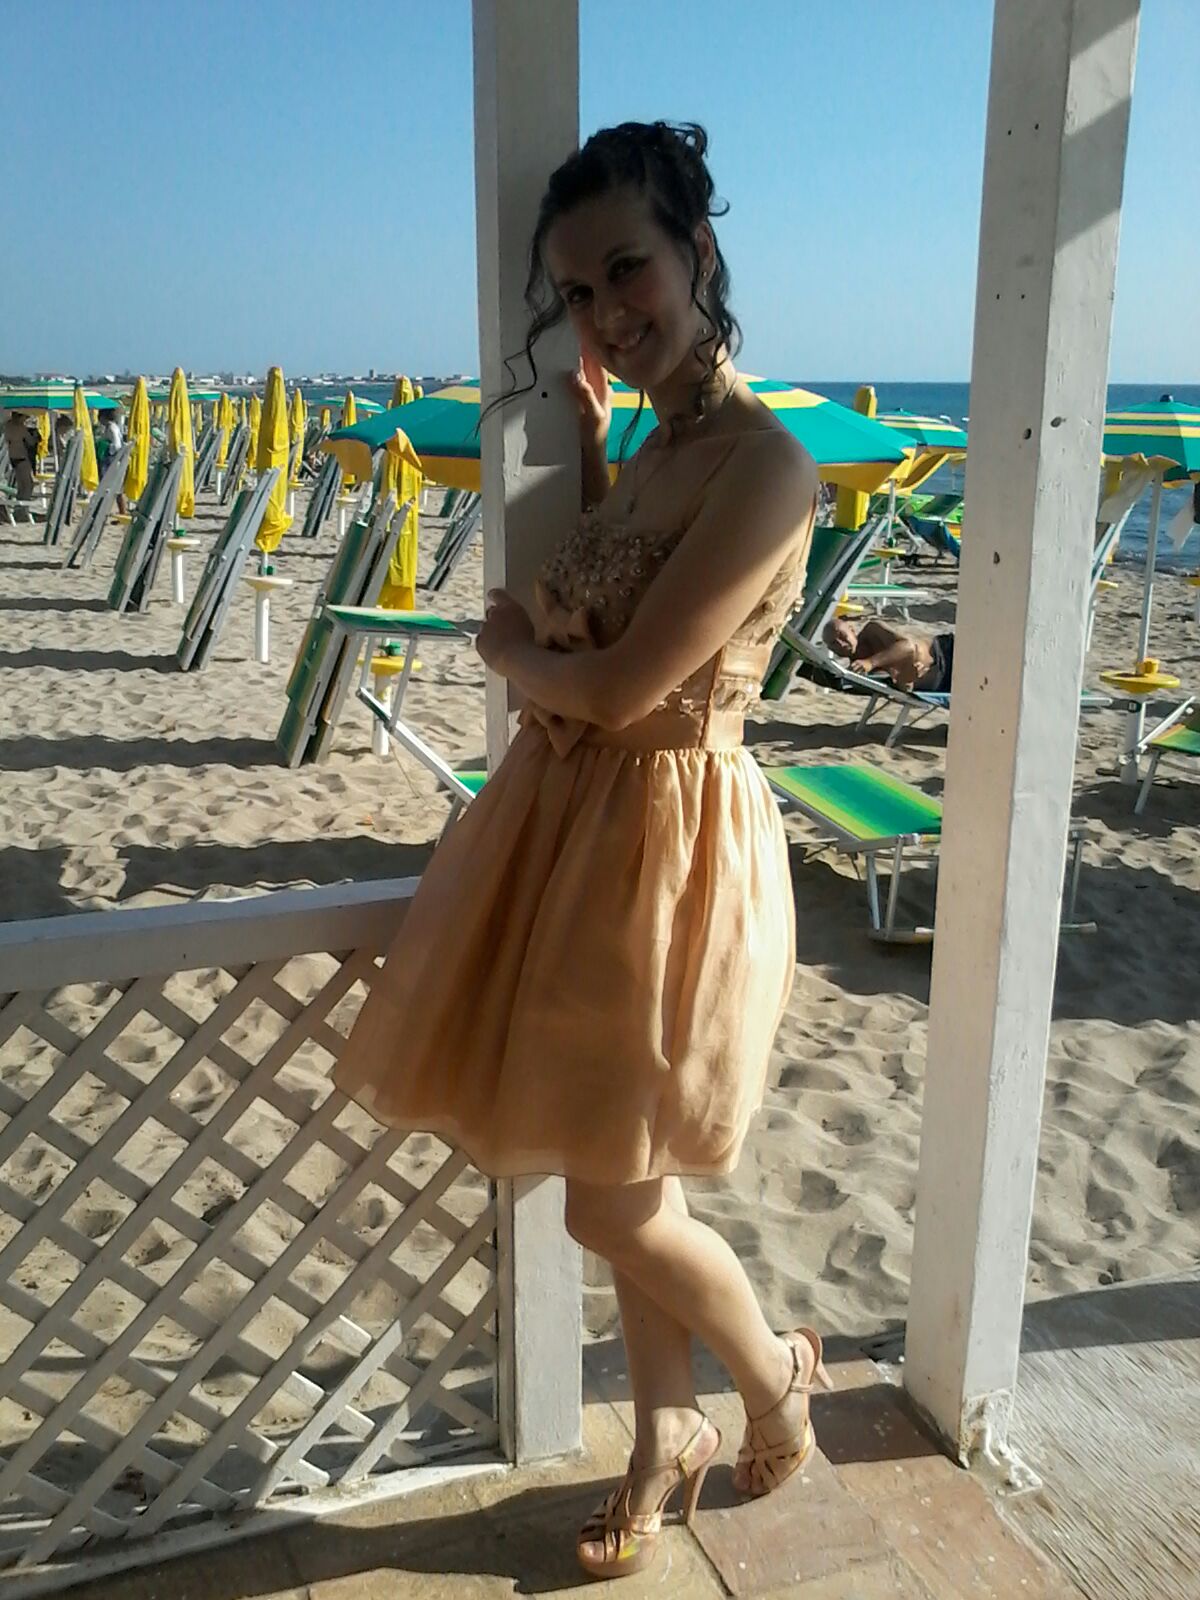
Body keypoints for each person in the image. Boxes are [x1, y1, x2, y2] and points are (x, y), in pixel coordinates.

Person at [333, 121, 829, 1580]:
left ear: (697, 252)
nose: (609, 309)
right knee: (628, 1176)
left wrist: (503, 649)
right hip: (585, 837)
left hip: (676, 852)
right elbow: (621, 591)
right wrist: (599, 448)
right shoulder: (662, 448)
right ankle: (662, 1433)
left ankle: (774, 1377)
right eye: (579, 289)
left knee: (607, 1195)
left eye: (629, 268)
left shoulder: (770, 466)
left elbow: (618, 686)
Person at [825, 614, 955, 694]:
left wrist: (871, 662)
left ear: (852, 630)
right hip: (941, 683)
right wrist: (906, 680)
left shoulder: (872, 631)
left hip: (945, 650)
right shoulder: (860, 673)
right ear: (832, 650)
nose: (841, 644)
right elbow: (901, 688)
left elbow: (908, 646)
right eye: (834, 643)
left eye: (842, 636)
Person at [2, 410, 37, 504]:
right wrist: (35, 435)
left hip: (13, 457)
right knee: (28, 485)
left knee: (21, 485)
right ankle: (22, 507)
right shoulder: (21, 428)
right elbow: (31, 442)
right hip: (22, 458)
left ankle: (19, 506)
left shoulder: (8, 426)